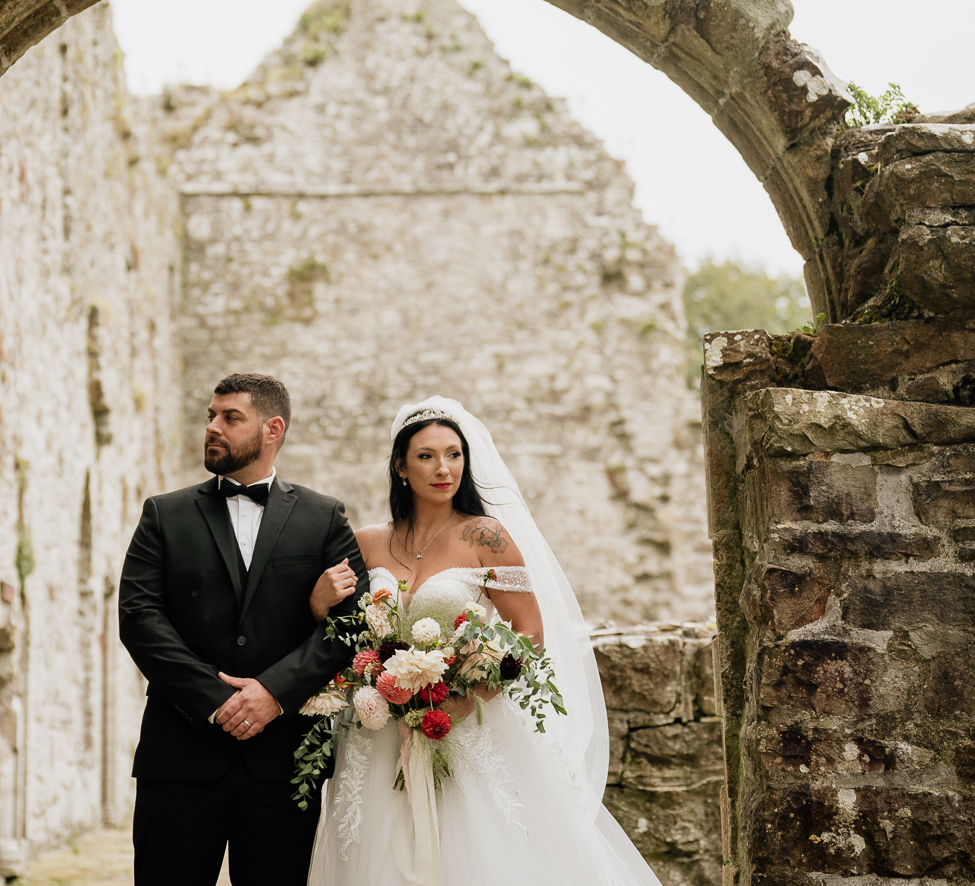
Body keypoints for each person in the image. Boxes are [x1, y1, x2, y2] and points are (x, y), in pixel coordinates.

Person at [303, 396, 664, 886]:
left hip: (463, 723)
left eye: (454, 454)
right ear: (400, 467)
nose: (443, 468)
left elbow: (529, 635)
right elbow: (338, 629)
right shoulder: (366, 542)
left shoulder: (486, 536)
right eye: (427, 456)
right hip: (378, 732)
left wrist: (466, 698)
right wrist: (320, 605)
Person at [119, 372, 368, 885]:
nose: (213, 427)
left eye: (231, 418)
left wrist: (274, 692)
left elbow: (353, 624)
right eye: (211, 415)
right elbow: (139, 619)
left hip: (284, 766)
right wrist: (216, 699)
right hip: (180, 760)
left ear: (272, 428)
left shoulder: (324, 519)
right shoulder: (163, 516)